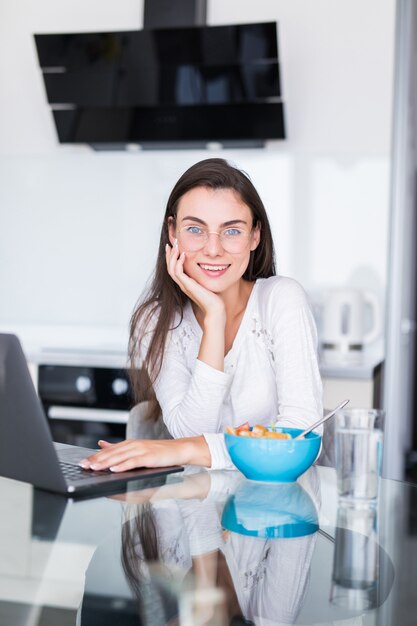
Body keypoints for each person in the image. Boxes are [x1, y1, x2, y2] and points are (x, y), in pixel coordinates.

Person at [80, 158, 323, 473]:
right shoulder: (154, 321)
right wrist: (215, 317)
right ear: (172, 232)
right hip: (189, 507)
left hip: (269, 510)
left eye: (231, 231)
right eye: (195, 229)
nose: (213, 249)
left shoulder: (281, 299)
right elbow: (192, 432)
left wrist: (181, 450)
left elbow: (301, 436)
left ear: (255, 236)